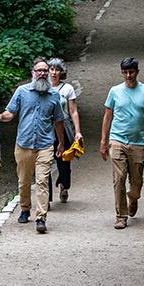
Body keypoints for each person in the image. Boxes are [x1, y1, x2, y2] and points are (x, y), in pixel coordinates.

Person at [0, 59, 68, 234]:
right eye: (38, 70)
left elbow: (58, 121)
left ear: (49, 73)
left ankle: (41, 217)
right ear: (32, 72)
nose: (42, 73)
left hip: (45, 144)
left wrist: (61, 143)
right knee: (24, 181)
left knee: (42, 181)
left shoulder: (54, 96)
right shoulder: (22, 91)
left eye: (45, 71)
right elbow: (10, 112)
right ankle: (25, 208)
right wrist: (0, 117)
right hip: (24, 143)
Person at [99, 57, 144, 229]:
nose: (128, 75)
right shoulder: (114, 91)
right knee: (119, 178)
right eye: (125, 72)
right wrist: (103, 141)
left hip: (138, 142)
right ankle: (121, 216)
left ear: (137, 72)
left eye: (131, 72)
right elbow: (107, 116)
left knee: (136, 182)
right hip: (117, 140)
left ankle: (133, 198)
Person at [45, 58, 83, 204]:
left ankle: (64, 185)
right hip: (46, 129)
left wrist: (77, 131)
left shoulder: (67, 89)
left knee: (64, 161)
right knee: (44, 162)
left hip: (64, 127)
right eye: (51, 69)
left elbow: (73, 111)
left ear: (62, 72)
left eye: (57, 70)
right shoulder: (43, 87)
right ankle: (46, 198)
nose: (54, 73)